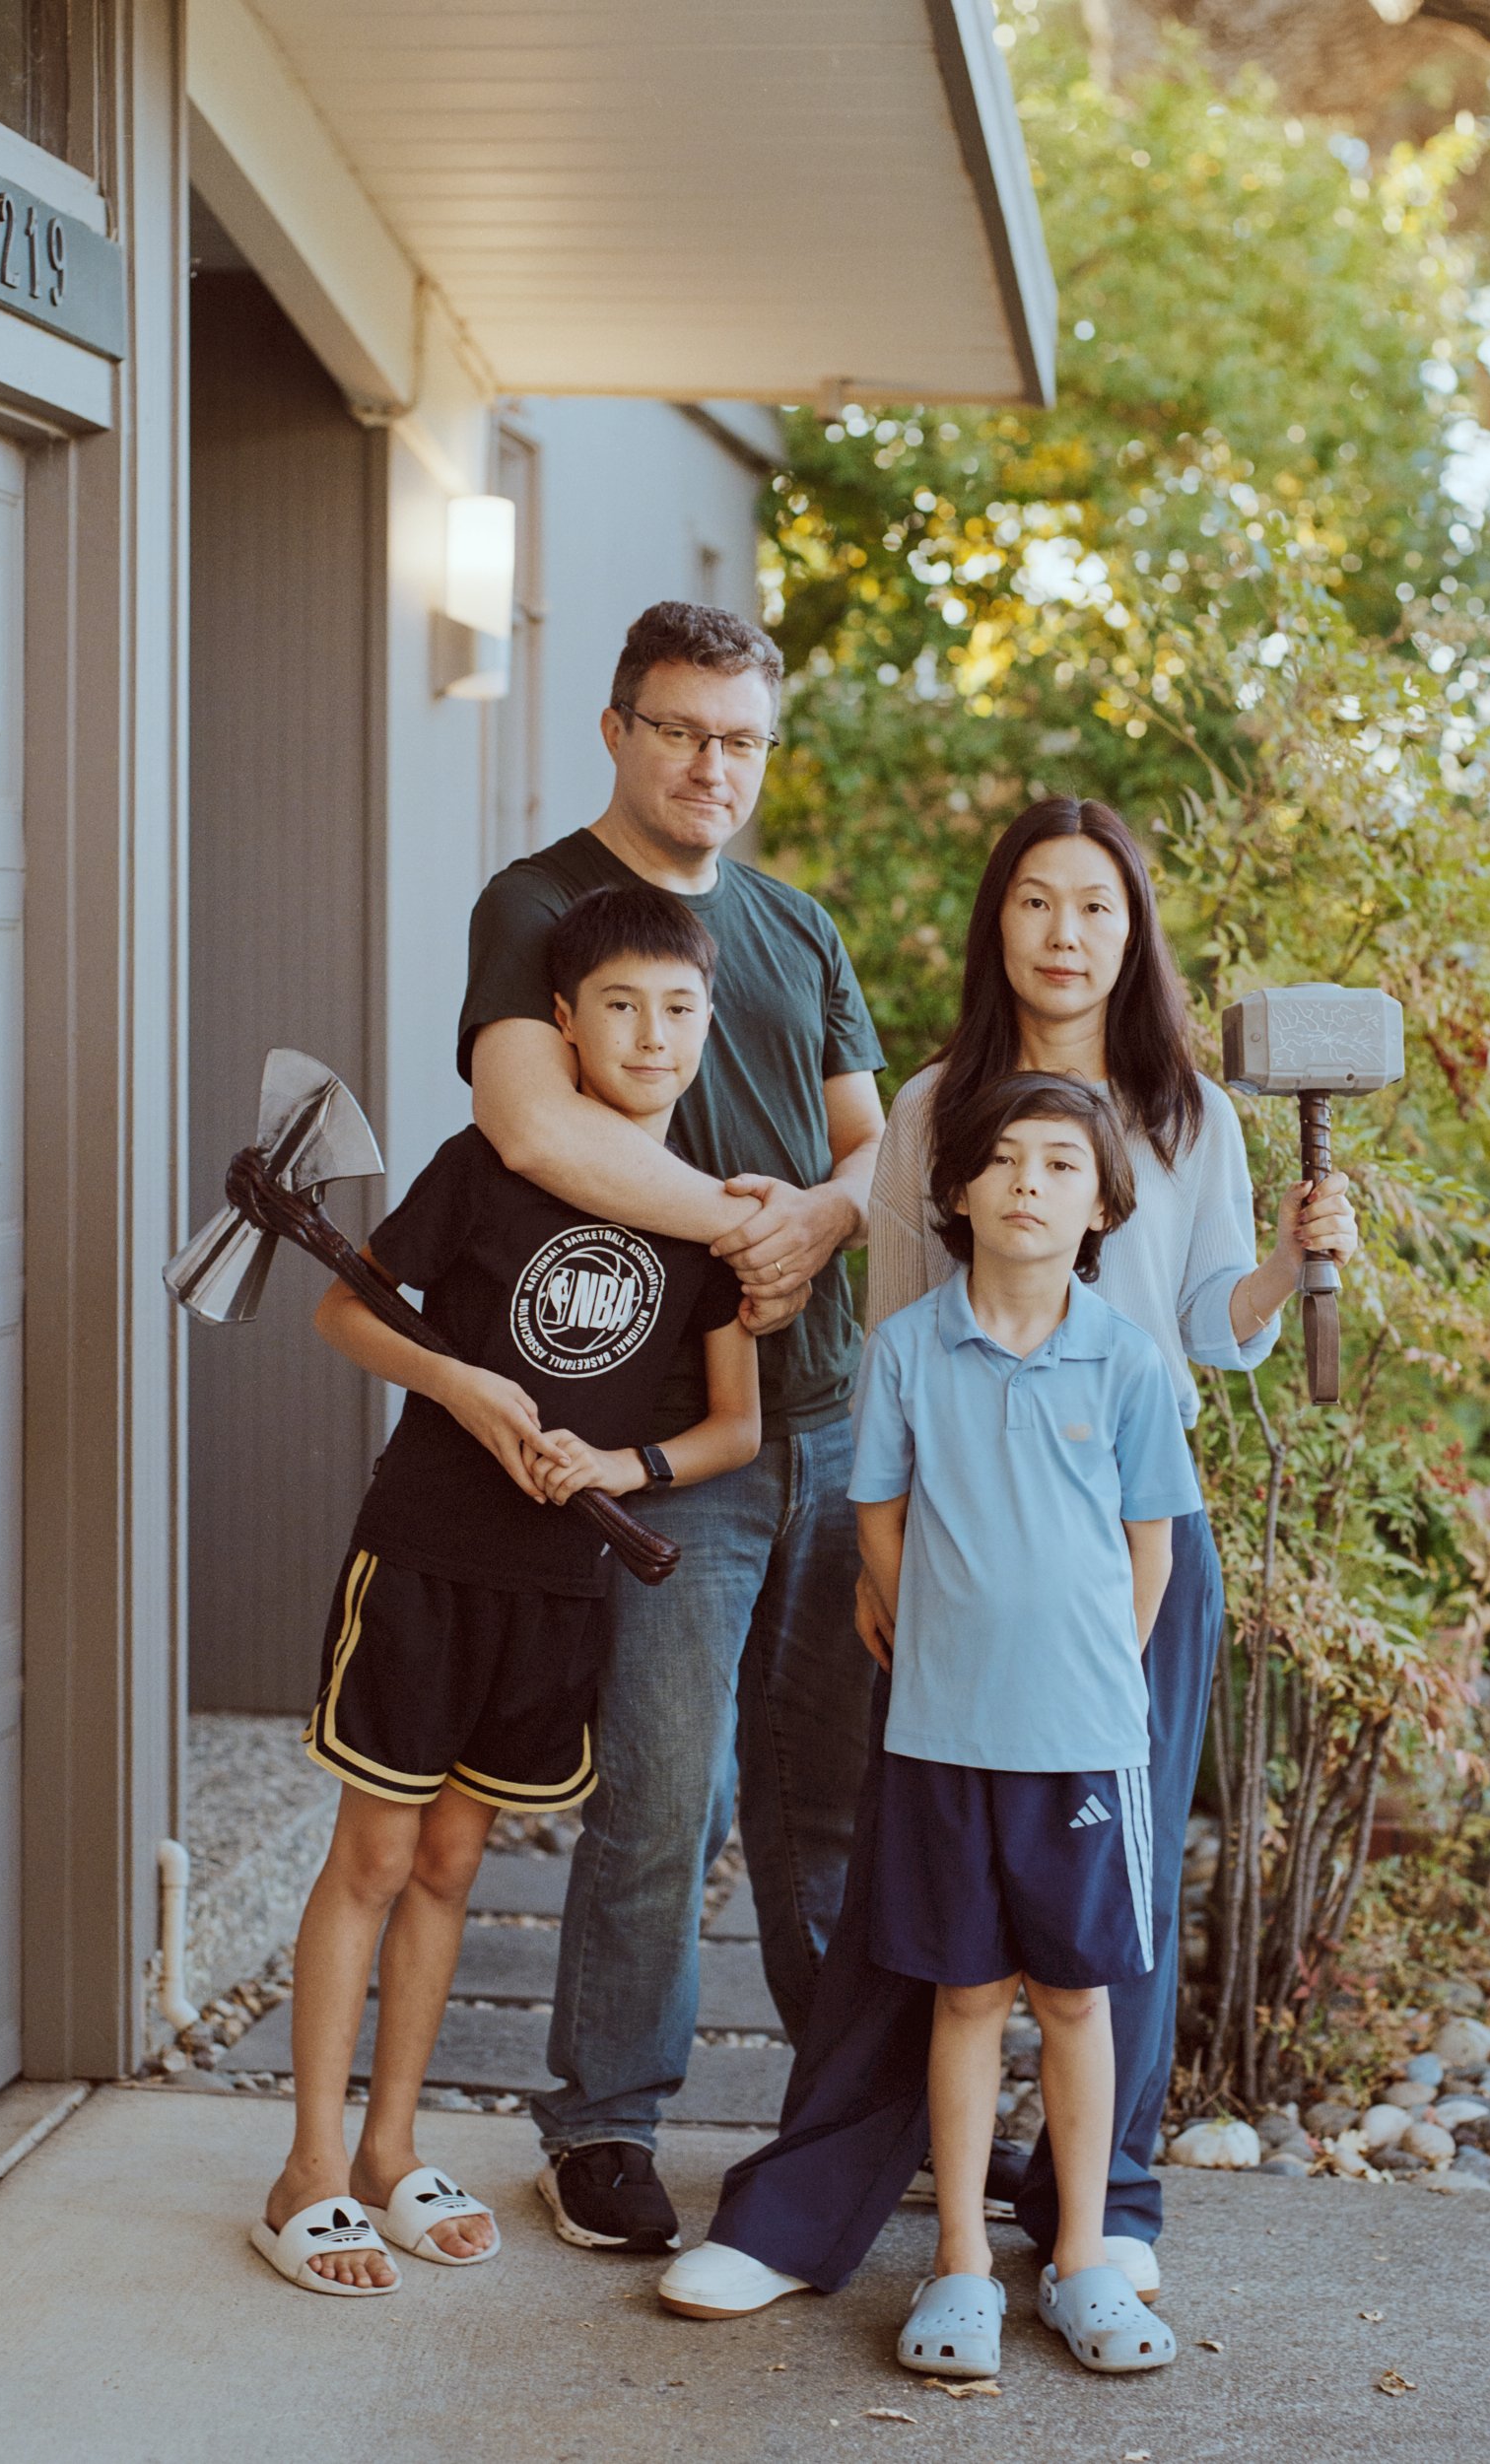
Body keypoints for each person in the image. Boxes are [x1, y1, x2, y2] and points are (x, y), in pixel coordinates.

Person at [661, 793, 1359, 2319]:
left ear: (1134, 932)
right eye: (1037, 903)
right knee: (920, 1897)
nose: (1065, 933)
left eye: (1095, 907)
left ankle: (1098, 2213)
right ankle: (801, 2214)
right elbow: (907, 1347)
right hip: (953, 1567)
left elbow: (1205, 1337)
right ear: (1001, 925)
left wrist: (1294, 1265)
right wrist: (878, 1564)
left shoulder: (1190, 1115)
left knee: (1114, 1905)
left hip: (1128, 1569)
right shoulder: (930, 1111)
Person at [253, 885, 760, 2294]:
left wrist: (623, 1461)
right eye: (620, 1006)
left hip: (561, 1580)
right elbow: (346, 1304)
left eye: (678, 1010)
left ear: (706, 1028)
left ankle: (391, 2149)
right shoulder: (482, 1167)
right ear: (562, 1024)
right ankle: (305, 2159)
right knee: (372, 1856)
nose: (652, 1035)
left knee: (456, 1865)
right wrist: (465, 1382)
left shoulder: (708, 1220)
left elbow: (737, 1428)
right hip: (426, 1558)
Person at [457, 601, 887, 2255]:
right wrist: (741, 1224)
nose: (713, 764)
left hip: (832, 1423)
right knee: (664, 1794)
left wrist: (826, 1227)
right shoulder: (540, 903)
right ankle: (606, 2128)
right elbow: (527, 1117)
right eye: (682, 729)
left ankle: (852, 2112)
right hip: (662, 1443)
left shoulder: (795, 927)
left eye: (742, 738)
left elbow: (870, 1149)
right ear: (619, 728)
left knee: (830, 1801)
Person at [847, 1072, 1198, 2380]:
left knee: (1073, 1996)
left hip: (1084, 1744)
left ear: (1102, 1200)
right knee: (963, 1996)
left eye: (1059, 1164)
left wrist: (1097, 1668)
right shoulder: (906, 1351)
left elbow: (1147, 1548)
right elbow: (876, 1512)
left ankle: (1086, 2258)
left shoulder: (1126, 1360)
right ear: (955, 1190)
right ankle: (957, 2269)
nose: (1027, 1182)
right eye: (1000, 1159)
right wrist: (910, 1612)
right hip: (942, 1734)